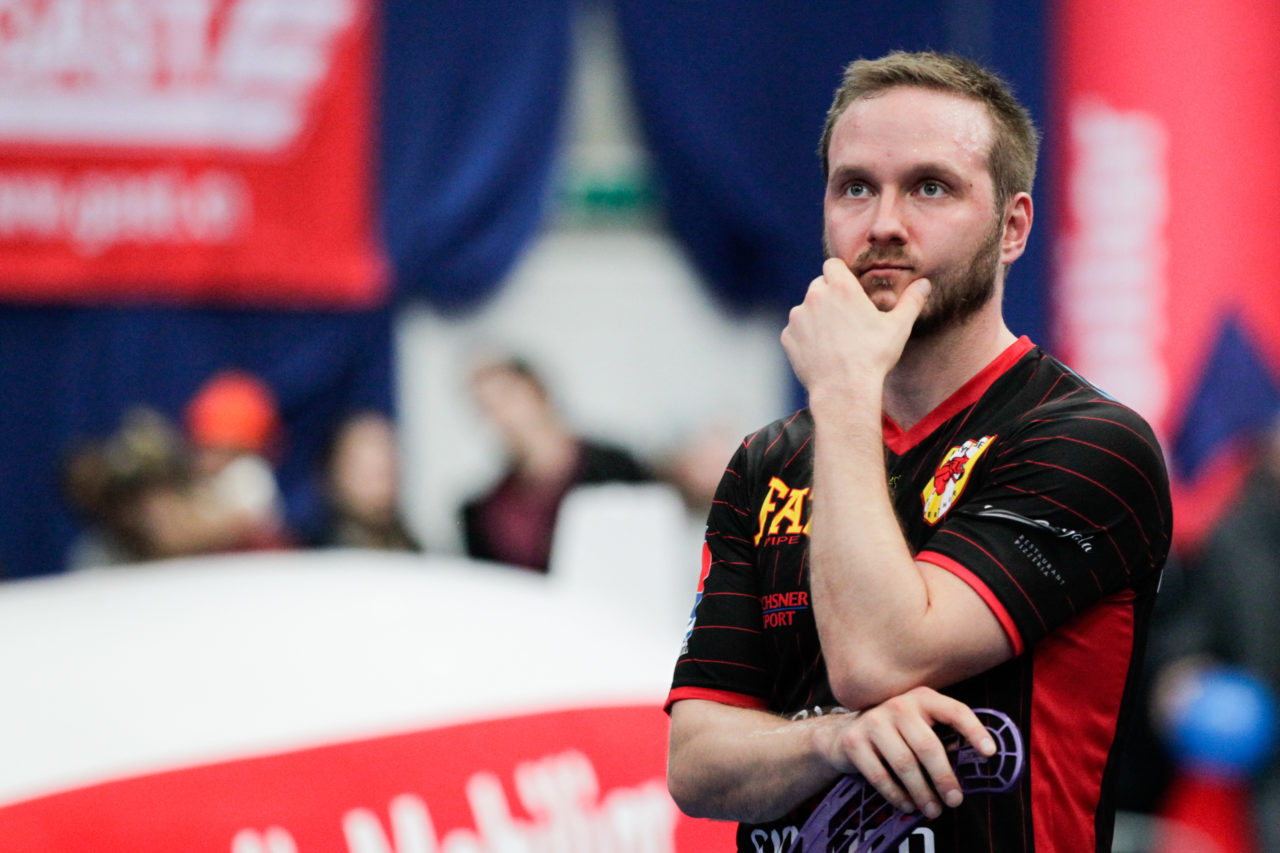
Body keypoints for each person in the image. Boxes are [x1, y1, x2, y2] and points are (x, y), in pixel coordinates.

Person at [665, 51, 1173, 852]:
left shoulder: (1086, 441)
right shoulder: (767, 462)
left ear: (1013, 227)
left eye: (930, 187)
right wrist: (828, 740)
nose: (884, 224)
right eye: (855, 186)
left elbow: (878, 658)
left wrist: (841, 391)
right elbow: (695, 764)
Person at [461, 355, 651, 572]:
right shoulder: (486, 510)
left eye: (507, 397)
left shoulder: (616, 467)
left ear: (537, 390)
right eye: (486, 407)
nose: (501, 415)